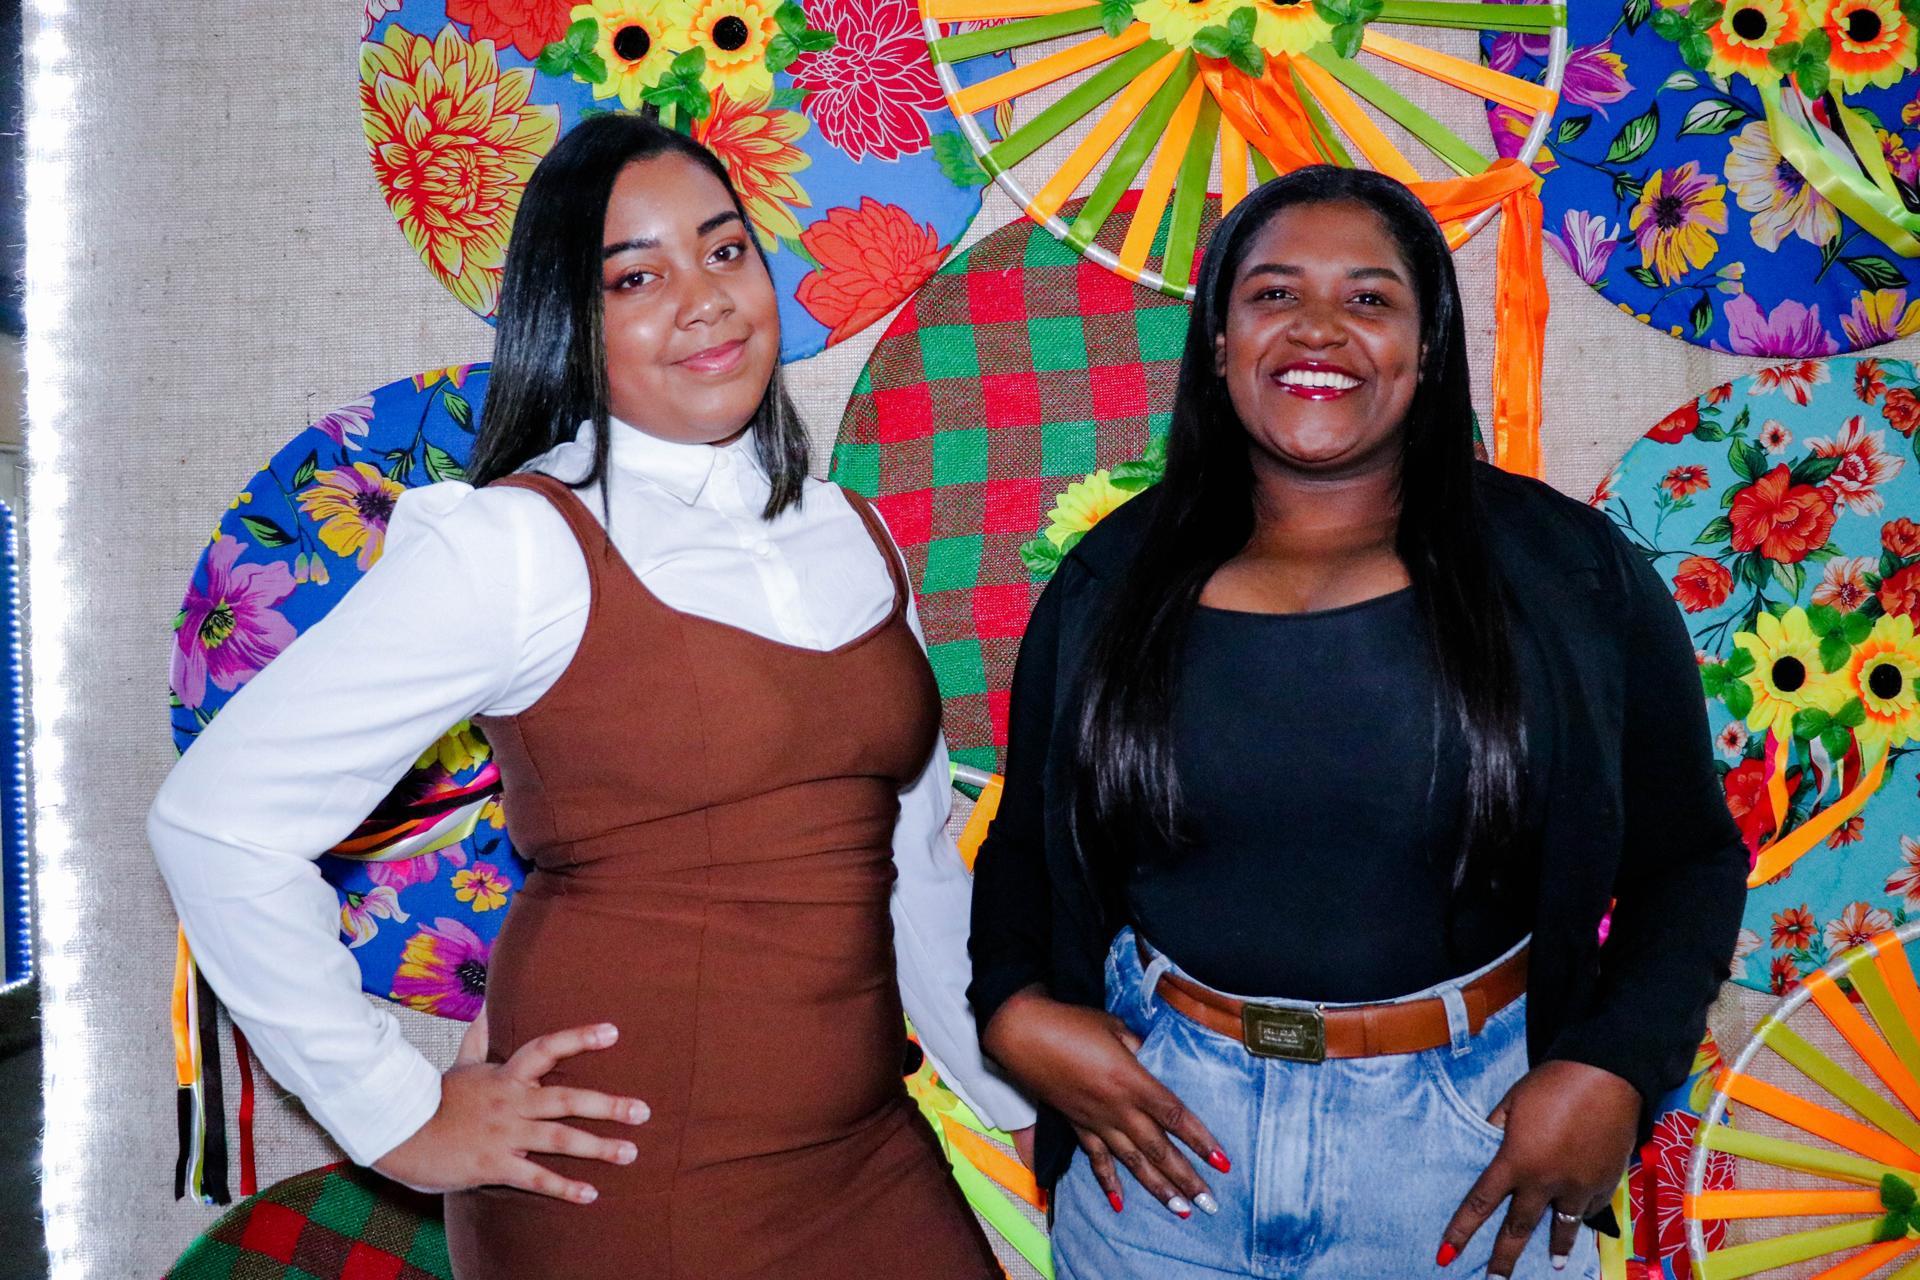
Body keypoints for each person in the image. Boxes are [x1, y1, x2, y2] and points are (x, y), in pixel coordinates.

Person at [149, 113, 1032, 1280]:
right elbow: (217, 823)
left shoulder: (852, 535)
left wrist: (1015, 1099)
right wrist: (397, 1112)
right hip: (620, 1182)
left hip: (868, 1149)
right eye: (637, 277)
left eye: (725, 250)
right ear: (573, 319)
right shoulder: (517, 542)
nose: (704, 299)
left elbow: (912, 863)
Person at [967, 166, 1747, 1280]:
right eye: (1274, 294)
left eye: (1370, 298)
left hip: (1469, 1160)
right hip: (1159, 1152)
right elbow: (1026, 846)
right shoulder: (1109, 580)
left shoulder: (1571, 577)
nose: (1319, 328)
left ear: (1428, 348)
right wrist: (1011, 1007)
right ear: (1220, 342)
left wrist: (1616, 1065)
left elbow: (1688, 858)